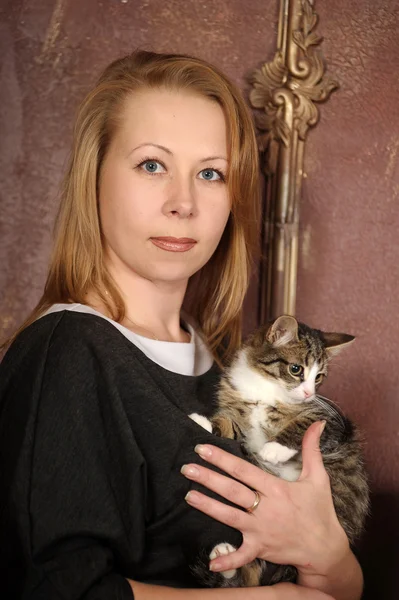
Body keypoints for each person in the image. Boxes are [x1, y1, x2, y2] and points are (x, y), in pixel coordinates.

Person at [0, 50, 363, 600]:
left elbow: (342, 587)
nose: (184, 203)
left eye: (211, 173)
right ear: (93, 178)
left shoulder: (217, 361)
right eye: (152, 165)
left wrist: (330, 556)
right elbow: (56, 588)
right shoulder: (68, 353)